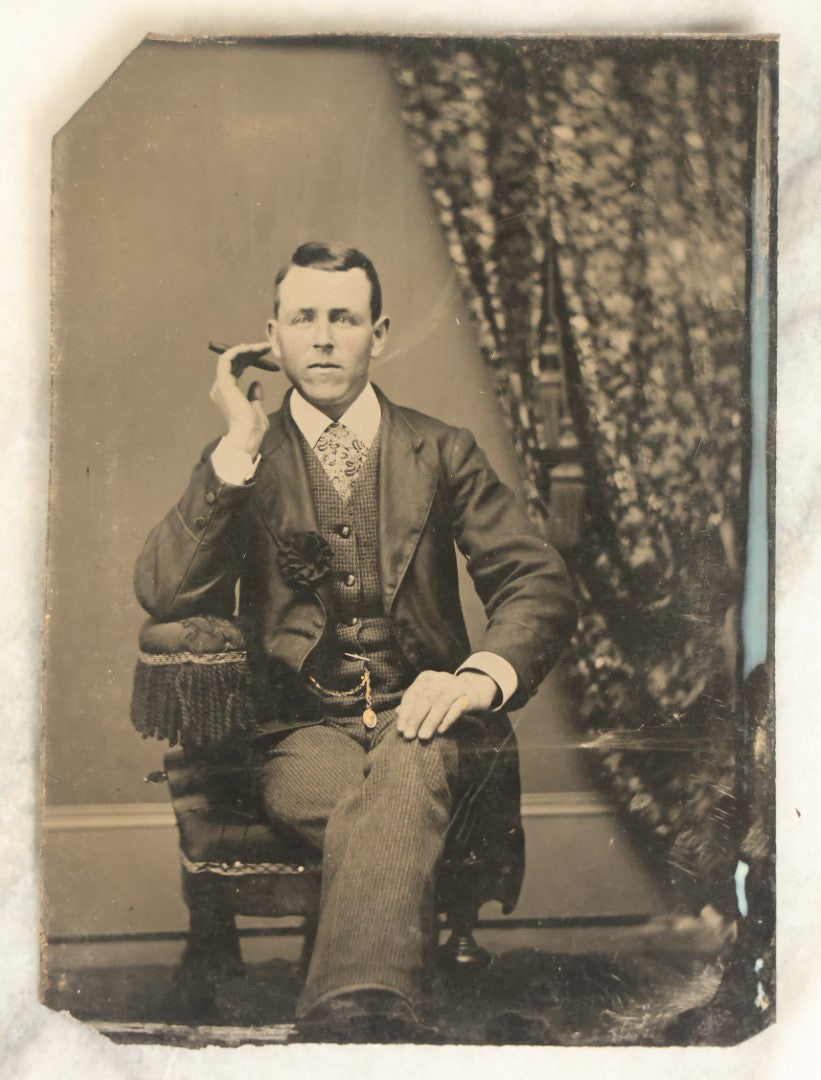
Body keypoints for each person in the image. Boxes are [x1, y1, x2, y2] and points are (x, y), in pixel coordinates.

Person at [135, 241, 577, 1039]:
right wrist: (238, 439)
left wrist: (474, 679)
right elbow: (165, 591)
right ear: (271, 338)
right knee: (379, 805)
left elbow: (535, 580)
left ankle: (348, 1022)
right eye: (304, 318)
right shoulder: (242, 459)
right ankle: (377, 1015)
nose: (325, 337)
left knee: (412, 759)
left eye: (344, 318)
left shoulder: (441, 449)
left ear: (380, 332)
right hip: (297, 734)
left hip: (432, 718)